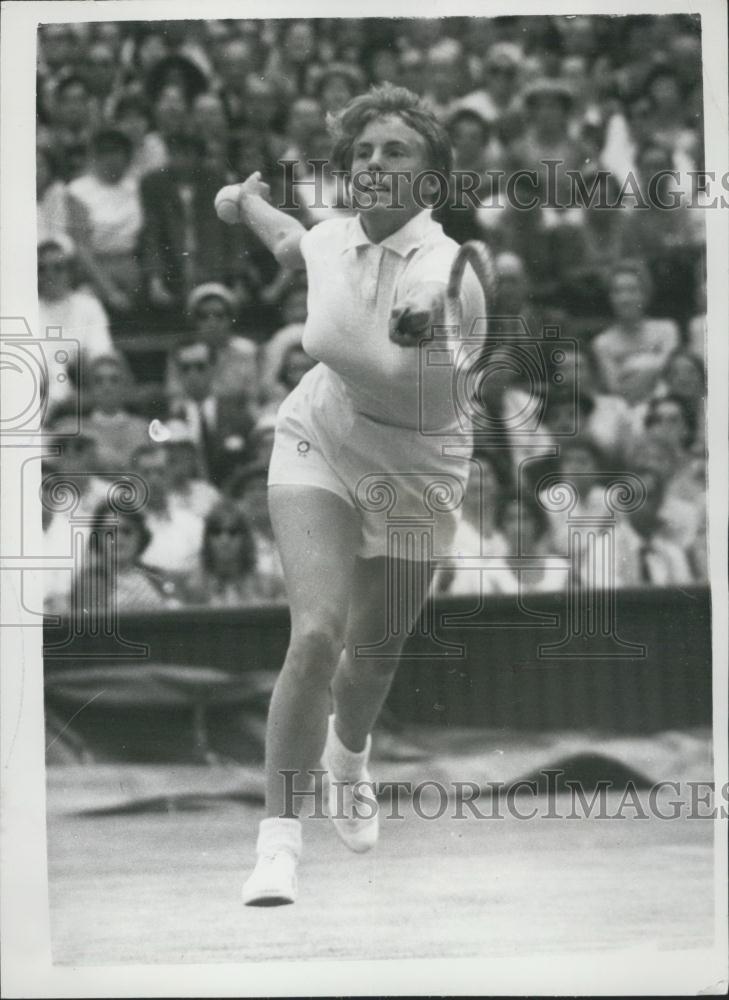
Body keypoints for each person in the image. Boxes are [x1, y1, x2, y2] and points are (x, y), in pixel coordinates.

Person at [216, 84, 485, 905]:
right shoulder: (330, 239)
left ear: (429, 179)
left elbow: (440, 304)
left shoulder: (448, 265)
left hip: (419, 471)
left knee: (369, 661)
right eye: (362, 152)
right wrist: (242, 203)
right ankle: (277, 843)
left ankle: (350, 756)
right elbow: (291, 242)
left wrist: (425, 318)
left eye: (395, 151)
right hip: (321, 436)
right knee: (315, 636)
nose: (373, 163)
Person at [186, 501, 267, 608]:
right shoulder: (193, 588)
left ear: (245, 538)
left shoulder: (265, 586)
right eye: (216, 531)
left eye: (233, 531)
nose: (224, 539)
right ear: (207, 539)